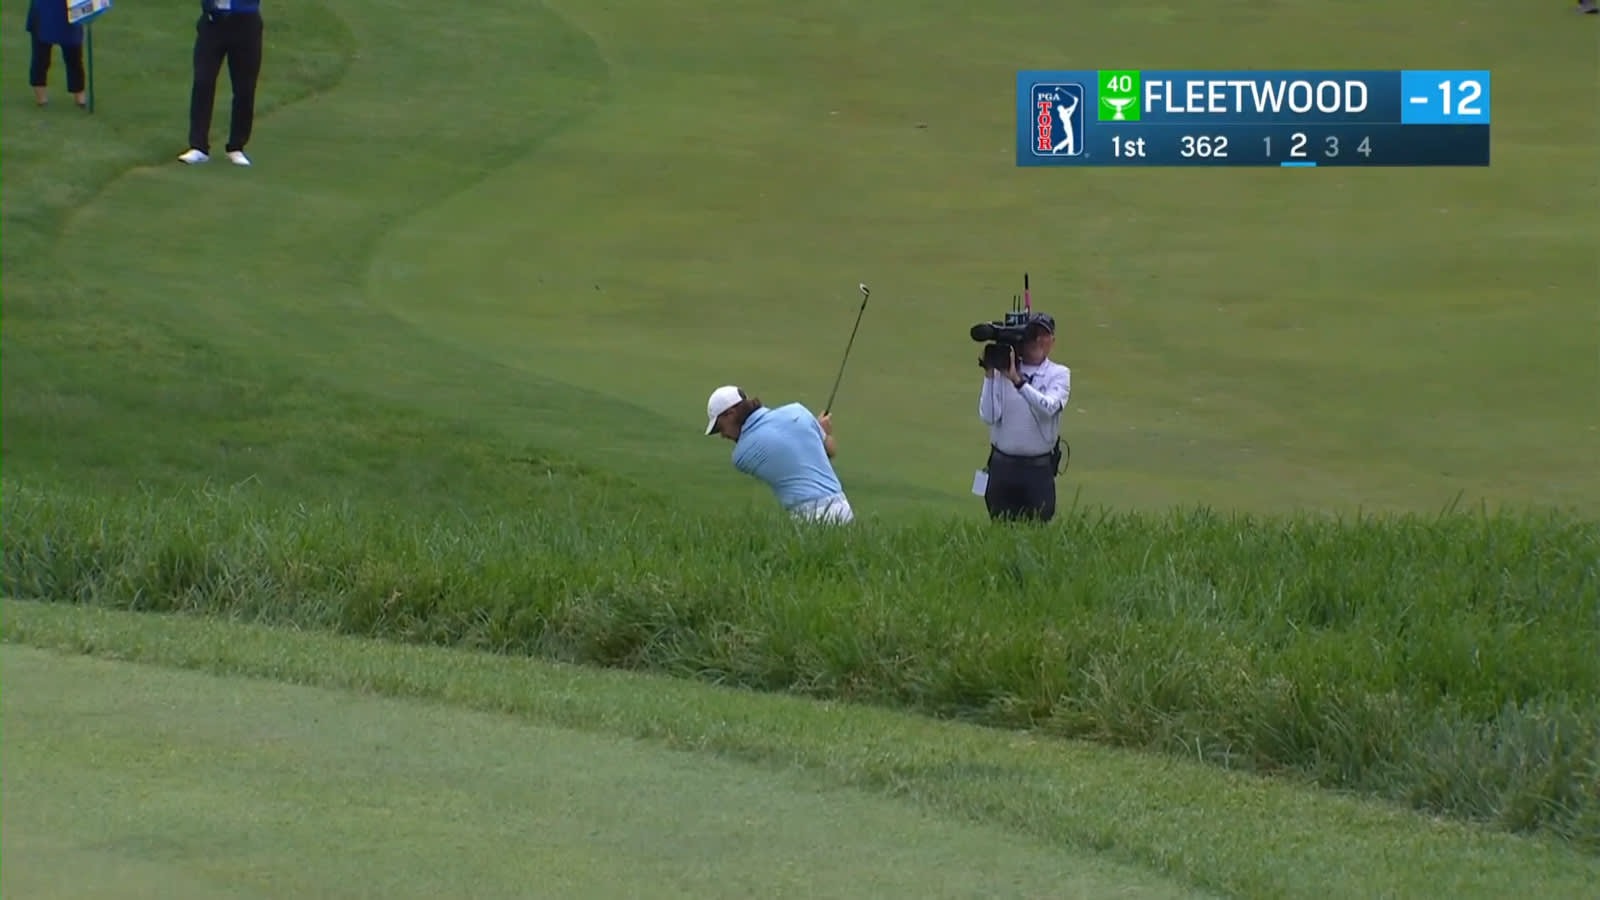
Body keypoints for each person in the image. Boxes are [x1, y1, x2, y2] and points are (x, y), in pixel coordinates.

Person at [704, 385, 855, 524]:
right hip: (843, 508)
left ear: (731, 414)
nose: (722, 435)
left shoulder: (742, 455)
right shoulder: (798, 411)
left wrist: (815, 430)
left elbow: (777, 442)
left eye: (720, 427)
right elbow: (830, 451)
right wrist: (821, 431)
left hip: (809, 517)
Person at [976, 312, 1071, 523]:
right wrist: (990, 376)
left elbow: (1049, 407)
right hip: (1002, 467)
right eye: (1032, 334)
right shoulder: (1002, 372)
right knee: (1000, 529)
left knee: (1038, 530)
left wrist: (1017, 381)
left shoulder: (1059, 373)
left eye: (1043, 335)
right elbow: (989, 416)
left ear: (1052, 342)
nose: (1037, 341)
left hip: (1037, 471)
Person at [178, 1, 265, 167]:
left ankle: (236, 146)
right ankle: (199, 146)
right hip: (213, 22)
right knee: (203, 81)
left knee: (244, 88)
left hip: (246, 23)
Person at [26, 0, 86, 109]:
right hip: (44, 9)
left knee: (74, 56)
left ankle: (80, 97)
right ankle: (41, 98)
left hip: (70, 7)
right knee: (41, 56)